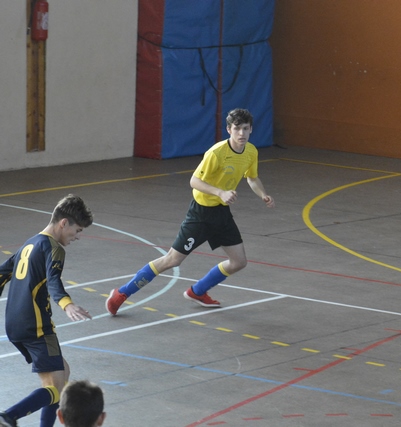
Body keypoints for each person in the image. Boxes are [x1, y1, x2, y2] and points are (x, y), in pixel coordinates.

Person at [106, 108, 275, 316]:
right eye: (237, 129)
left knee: (239, 262)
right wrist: (220, 192)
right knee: (172, 260)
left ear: (251, 130)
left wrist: (263, 194)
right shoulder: (217, 153)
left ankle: (198, 291)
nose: (242, 133)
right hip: (201, 214)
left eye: (246, 129)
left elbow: (252, 178)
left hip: (221, 214)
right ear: (229, 130)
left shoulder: (251, 152)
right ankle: (121, 293)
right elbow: (194, 181)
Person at [0, 194, 94, 427]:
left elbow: (3, 272)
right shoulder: (54, 248)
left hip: (13, 325)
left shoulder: (30, 243)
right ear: (64, 223)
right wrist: (67, 304)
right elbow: (54, 282)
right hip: (37, 326)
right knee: (55, 387)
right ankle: (8, 416)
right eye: (77, 230)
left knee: (62, 373)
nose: (77, 236)